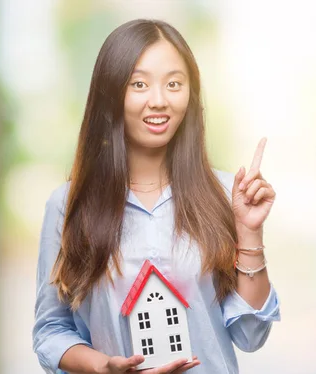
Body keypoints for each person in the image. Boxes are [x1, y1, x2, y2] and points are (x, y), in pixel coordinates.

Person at [32, 19, 280, 374]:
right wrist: (103, 366)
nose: (159, 101)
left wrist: (250, 231)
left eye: (174, 84)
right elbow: (50, 331)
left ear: (190, 95)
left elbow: (251, 335)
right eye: (139, 84)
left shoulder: (228, 195)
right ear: (111, 93)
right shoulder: (69, 205)